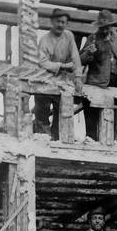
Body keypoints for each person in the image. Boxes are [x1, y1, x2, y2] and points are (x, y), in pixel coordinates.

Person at [35, 9, 82, 140]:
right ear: (52, 21)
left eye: (64, 22)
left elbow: (76, 58)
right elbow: (42, 62)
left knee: (61, 115)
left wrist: (78, 77)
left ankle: (56, 142)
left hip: (61, 82)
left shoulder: (69, 36)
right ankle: (43, 143)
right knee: (42, 116)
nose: (61, 25)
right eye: (58, 21)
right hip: (44, 82)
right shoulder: (44, 40)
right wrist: (62, 66)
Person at [79, 10, 117, 141]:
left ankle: (111, 144)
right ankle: (92, 144)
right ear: (99, 26)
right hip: (96, 83)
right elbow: (80, 59)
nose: (105, 30)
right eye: (103, 27)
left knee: (114, 118)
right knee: (92, 119)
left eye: (108, 27)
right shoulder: (92, 38)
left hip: (116, 84)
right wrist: (89, 53)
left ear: (112, 26)